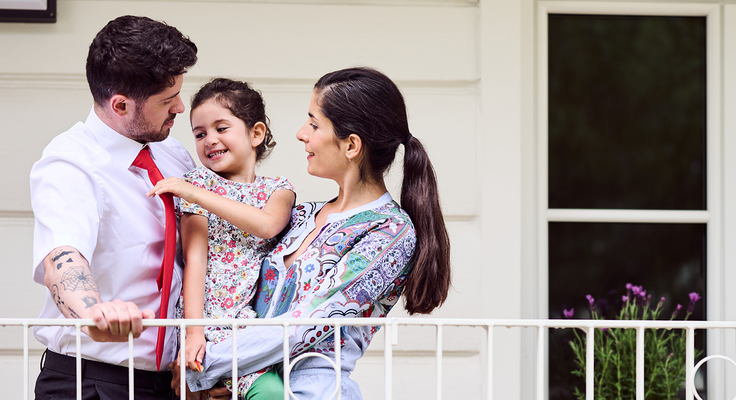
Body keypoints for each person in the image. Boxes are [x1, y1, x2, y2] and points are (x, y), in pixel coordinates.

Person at [178, 67, 452, 400]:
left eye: (313, 123)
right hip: (249, 384)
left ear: (351, 145)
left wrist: (203, 365)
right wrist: (230, 376)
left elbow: (308, 323)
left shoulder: (390, 232)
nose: (300, 133)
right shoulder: (300, 215)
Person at [29, 15, 197, 400]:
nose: (181, 108)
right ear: (121, 104)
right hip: (92, 382)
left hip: (167, 384)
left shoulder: (173, 154)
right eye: (167, 101)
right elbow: (63, 257)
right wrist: (93, 315)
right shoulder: (70, 163)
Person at [145, 78, 296, 399]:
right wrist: (195, 331)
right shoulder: (197, 182)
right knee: (196, 392)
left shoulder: (277, 189)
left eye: (221, 128)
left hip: (245, 326)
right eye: (200, 134)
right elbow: (194, 262)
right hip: (200, 323)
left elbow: (267, 225)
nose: (209, 140)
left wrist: (196, 194)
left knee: (271, 393)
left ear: (256, 134)